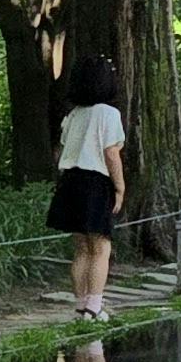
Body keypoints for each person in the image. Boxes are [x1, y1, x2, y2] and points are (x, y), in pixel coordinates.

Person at [49, 53, 127, 314]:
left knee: (81, 247)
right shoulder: (109, 114)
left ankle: (81, 304)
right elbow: (111, 153)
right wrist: (120, 187)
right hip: (96, 182)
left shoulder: (74, 115)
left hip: (70, 181)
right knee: (100, 246)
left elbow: (62, 149)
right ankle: (95, 306)